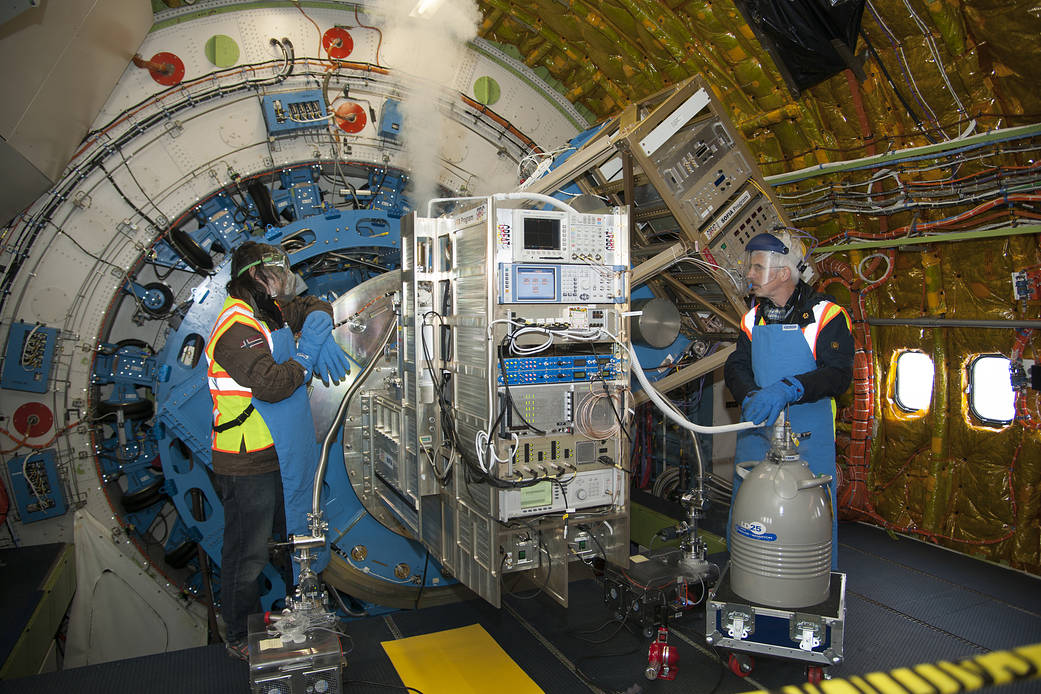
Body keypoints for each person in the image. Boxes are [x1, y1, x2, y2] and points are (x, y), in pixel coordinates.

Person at [204, 241, 351, 660]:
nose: (281, 287)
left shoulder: (265, 310)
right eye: (274, 277)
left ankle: (301, 618)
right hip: (246, 460)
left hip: (279, 455)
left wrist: (320, 326)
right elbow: (271, 383)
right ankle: (237, 635)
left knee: (295, 541)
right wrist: (307, 355)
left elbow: (308, 305)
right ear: (254, 276)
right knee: (247, 554)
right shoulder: (236, 328)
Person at [723, 231, 853, 568]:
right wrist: (749, 393)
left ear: (783, 274)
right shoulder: (752, 317)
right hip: (758, 431)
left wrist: (788, 388)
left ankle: (810, 584)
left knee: (809, 518)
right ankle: (745, 576)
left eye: (757, 267)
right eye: (749, 267)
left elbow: (838, 374)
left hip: (809, 438)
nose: (749, 274)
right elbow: (737, 363)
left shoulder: (828, 315)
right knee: (750, 516)